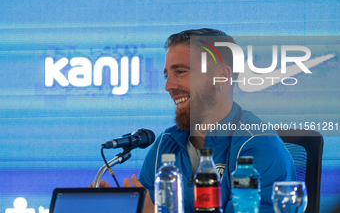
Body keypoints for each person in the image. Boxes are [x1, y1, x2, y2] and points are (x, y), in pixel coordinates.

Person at [92, 29, 296, 213]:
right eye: (166, 75)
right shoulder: (166, 143)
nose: (168, 86)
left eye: (180, 72)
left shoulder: (257, 147)